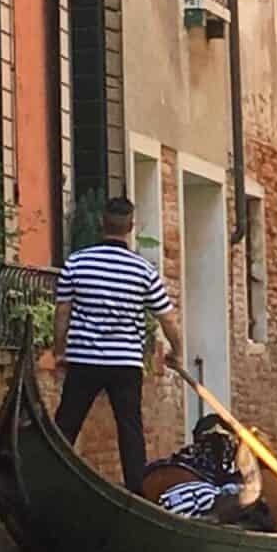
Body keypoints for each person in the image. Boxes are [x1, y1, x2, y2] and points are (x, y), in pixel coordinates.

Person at [53, 195, 181, 494]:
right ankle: (137, 491)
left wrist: (60, 351)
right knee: (130, 429)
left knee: (67, 423)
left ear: (102, 224)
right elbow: (168, 319)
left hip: (84, 359)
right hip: (125, 362)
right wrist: (177, 351)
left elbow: (62, 312)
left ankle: (52, 480)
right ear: (131, 227)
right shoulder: (143, 271)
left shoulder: (77, 263)